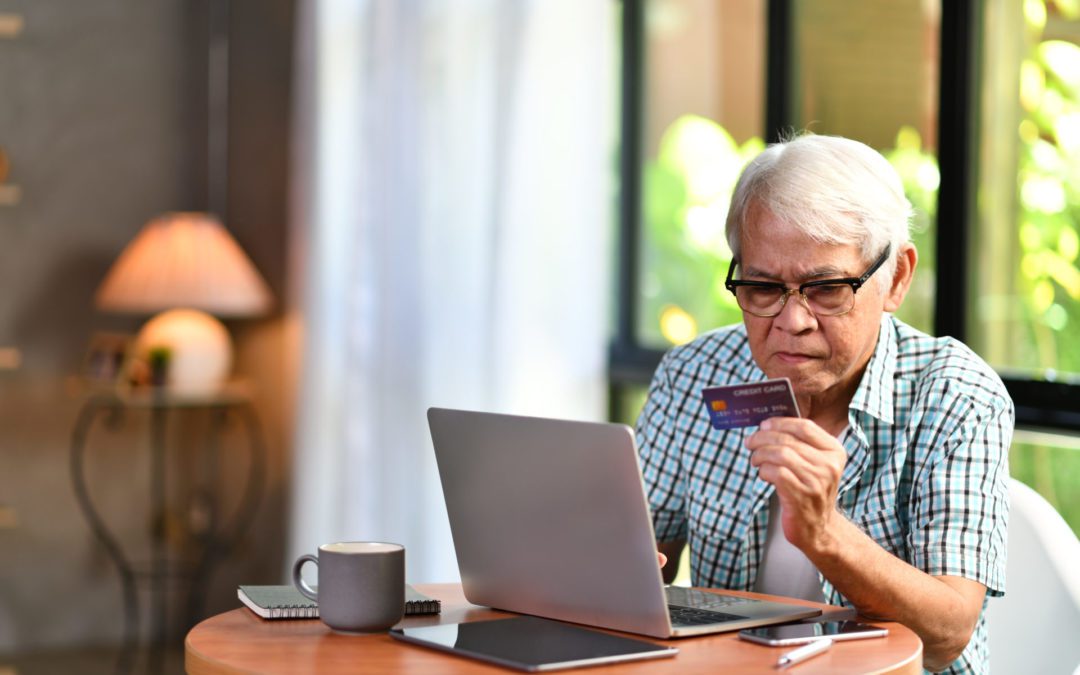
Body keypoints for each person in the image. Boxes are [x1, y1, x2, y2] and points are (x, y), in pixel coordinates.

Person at [637, 134, 1012, 674]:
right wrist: (618, 568)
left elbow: (948, 635)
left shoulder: (955, 396)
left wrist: (823, 532)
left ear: (896, 278)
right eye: (763, 288)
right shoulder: (695, 374)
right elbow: (652, 558)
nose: (792, 322)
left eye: (827, 289)